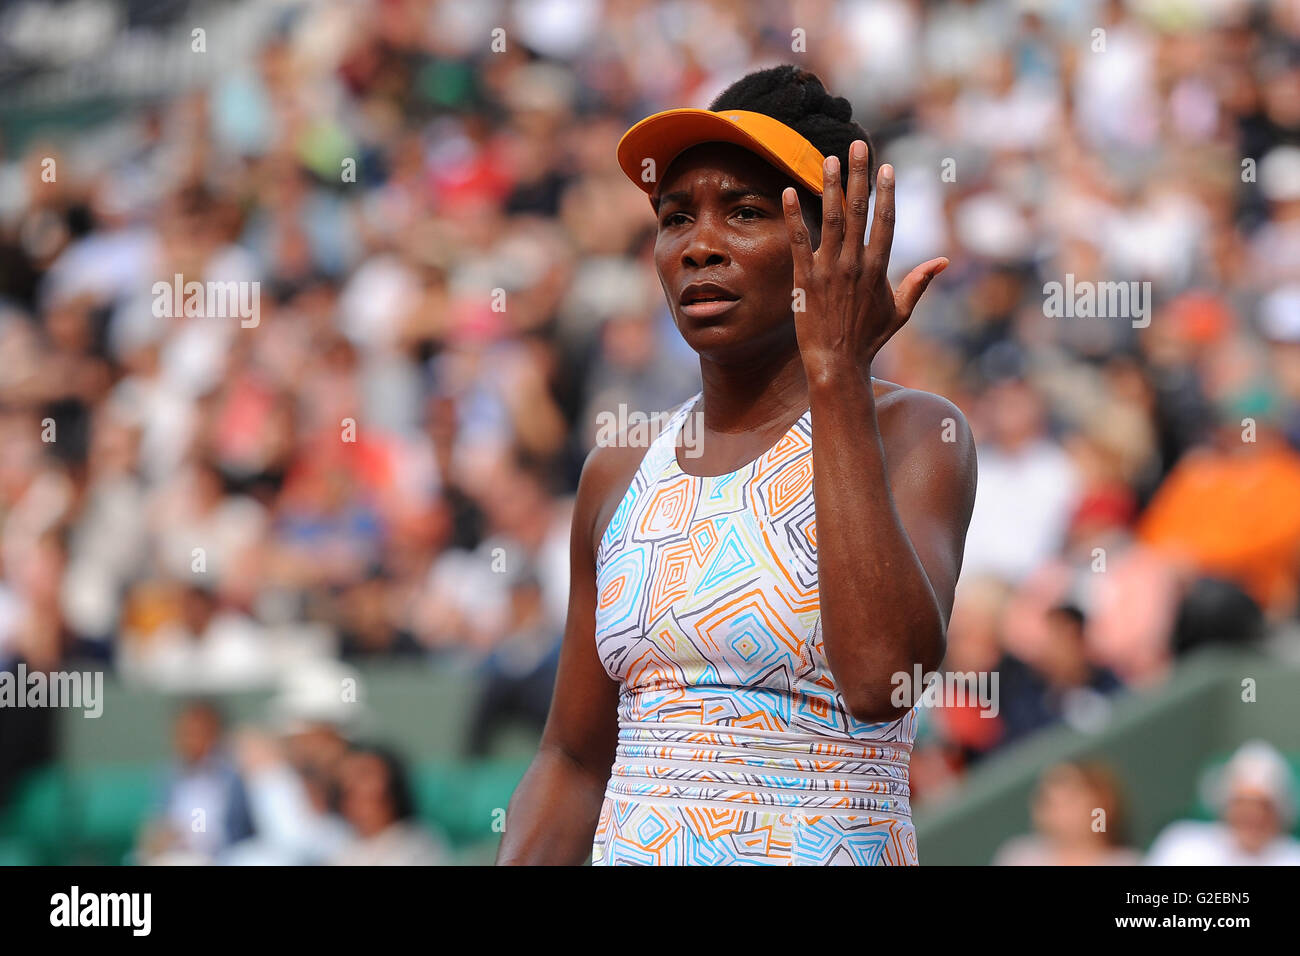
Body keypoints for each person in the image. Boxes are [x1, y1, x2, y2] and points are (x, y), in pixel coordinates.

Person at [498, 65, 977, 865]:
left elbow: (877, 678)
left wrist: (836, 374)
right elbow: (573, 762)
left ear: (836, 247)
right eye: (676, 218)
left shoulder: (918, 434)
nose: (699, 247)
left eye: (746, 212)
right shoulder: (617, 473)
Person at [1146, 740, 1300, 866]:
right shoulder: (1181, 842)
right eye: (1241, 803)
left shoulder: (1294, 858)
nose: (1252, 814)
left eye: (1263, 806)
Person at [993, 761, 1141, 866]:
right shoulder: (1019, 855)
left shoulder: (1127, 862)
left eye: (1070, 800)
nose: (1058, 812)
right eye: (1049, 801)